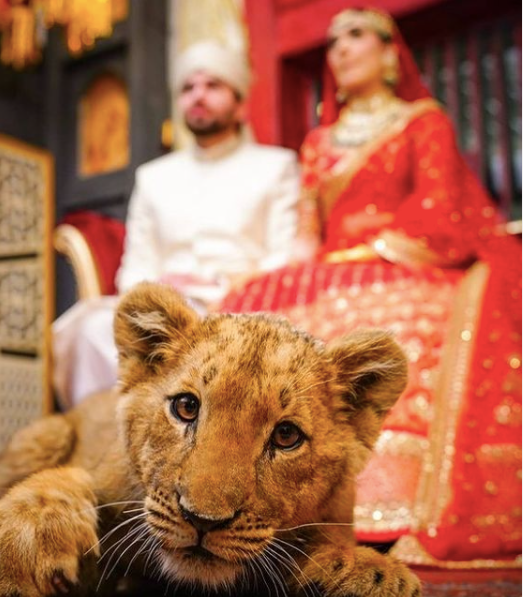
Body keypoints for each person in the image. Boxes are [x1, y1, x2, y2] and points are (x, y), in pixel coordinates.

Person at [218, 8, 521, 568]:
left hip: (406, 258)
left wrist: (370, 252)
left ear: (389, 54)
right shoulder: (318, 142)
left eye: (356, 36)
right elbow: (309, 236)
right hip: (331, 266)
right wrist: (266, 273)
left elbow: (440, 215)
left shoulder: (422, 120)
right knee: (245, 307)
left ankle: (388, 498)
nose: (341, 51)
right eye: (333, 42)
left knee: (402, 318)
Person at [52, 40, 300, 408]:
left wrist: (230, 286)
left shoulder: (276, 166)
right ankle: (106, 440)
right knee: (89, 330)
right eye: (188, 88)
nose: (198, 95)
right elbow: (135, 267)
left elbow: (286, 255)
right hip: (165, 308)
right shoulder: (154, 177)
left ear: (239, 101)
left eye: (213, 86)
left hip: (240, 306)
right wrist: (161, 291)